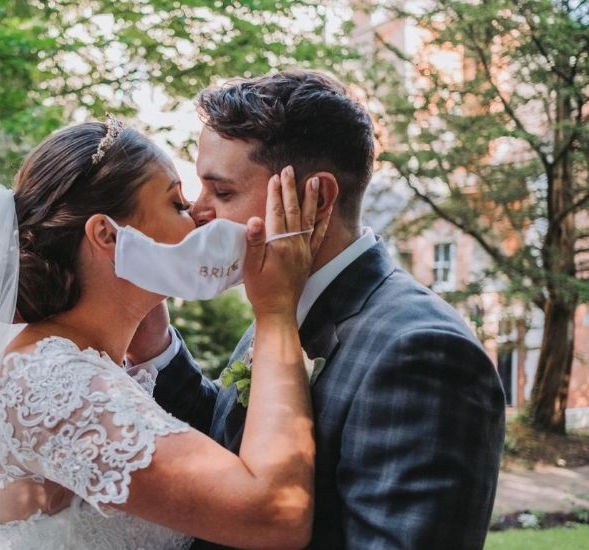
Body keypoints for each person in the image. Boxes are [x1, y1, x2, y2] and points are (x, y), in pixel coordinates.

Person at [0, 119, 329, 549]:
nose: (200, 216)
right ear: (108, 236)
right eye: (177, 203)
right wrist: (275, 312)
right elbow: (274, 517)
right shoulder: (58, 382)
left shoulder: (88, 364)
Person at [140, 70, 507, 549]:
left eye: (223, 192)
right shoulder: (281, 302)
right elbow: (235, 438)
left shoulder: (422, 351)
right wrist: (156, 344)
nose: (197, 211)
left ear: (316, 201)